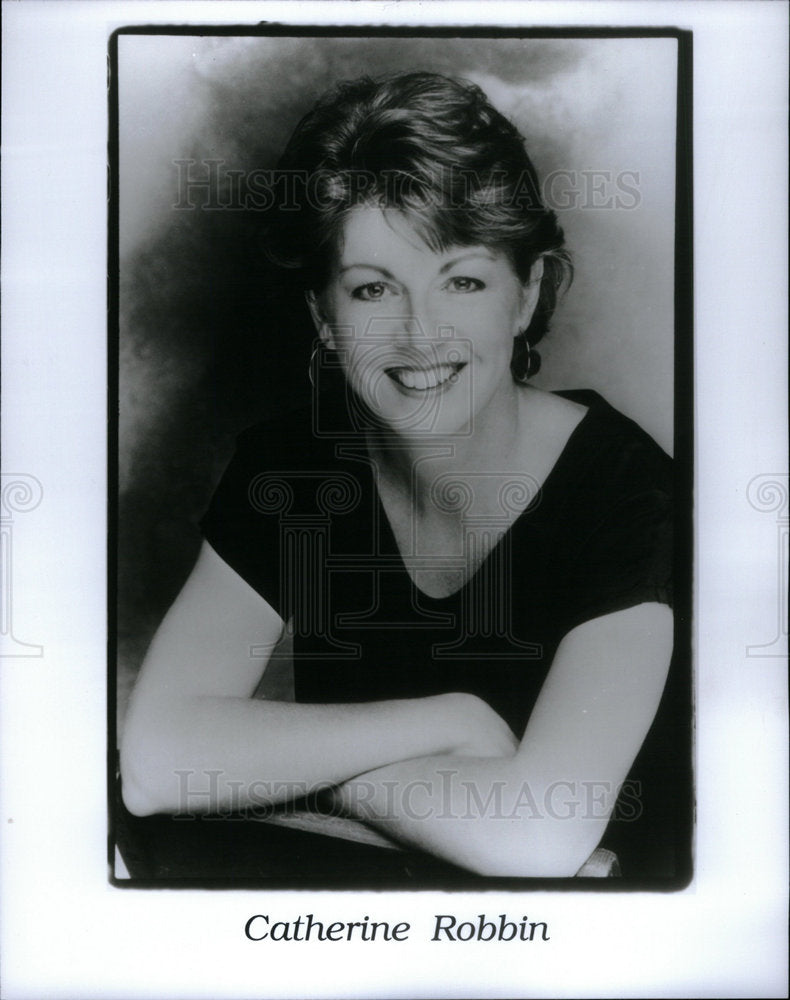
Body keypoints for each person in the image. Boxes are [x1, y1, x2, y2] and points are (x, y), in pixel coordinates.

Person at [120, 72, 680, 879]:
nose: (421, 335)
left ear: (527, 296)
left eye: (464, 281)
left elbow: (540, 834)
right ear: (325, 318)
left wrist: (305, 784)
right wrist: (447, 722)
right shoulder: (294, 468)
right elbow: (154, 762)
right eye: (374, 289)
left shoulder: (628, 493)